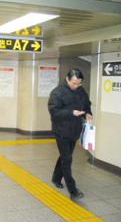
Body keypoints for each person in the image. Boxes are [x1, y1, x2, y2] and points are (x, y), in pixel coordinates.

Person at [48, 69, 93, 201]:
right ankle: (73, 190)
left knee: (65, 156)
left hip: (74, 130)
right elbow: (54, 112)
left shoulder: (80, 90)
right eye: (74, 83)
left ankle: (56, 178)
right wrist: (71, 112)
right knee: (67, 159)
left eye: (78, 84)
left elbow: (86, 104)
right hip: (61, 131)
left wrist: (87, 113)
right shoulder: (57, 93)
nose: (76, 86)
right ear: (67, 79)